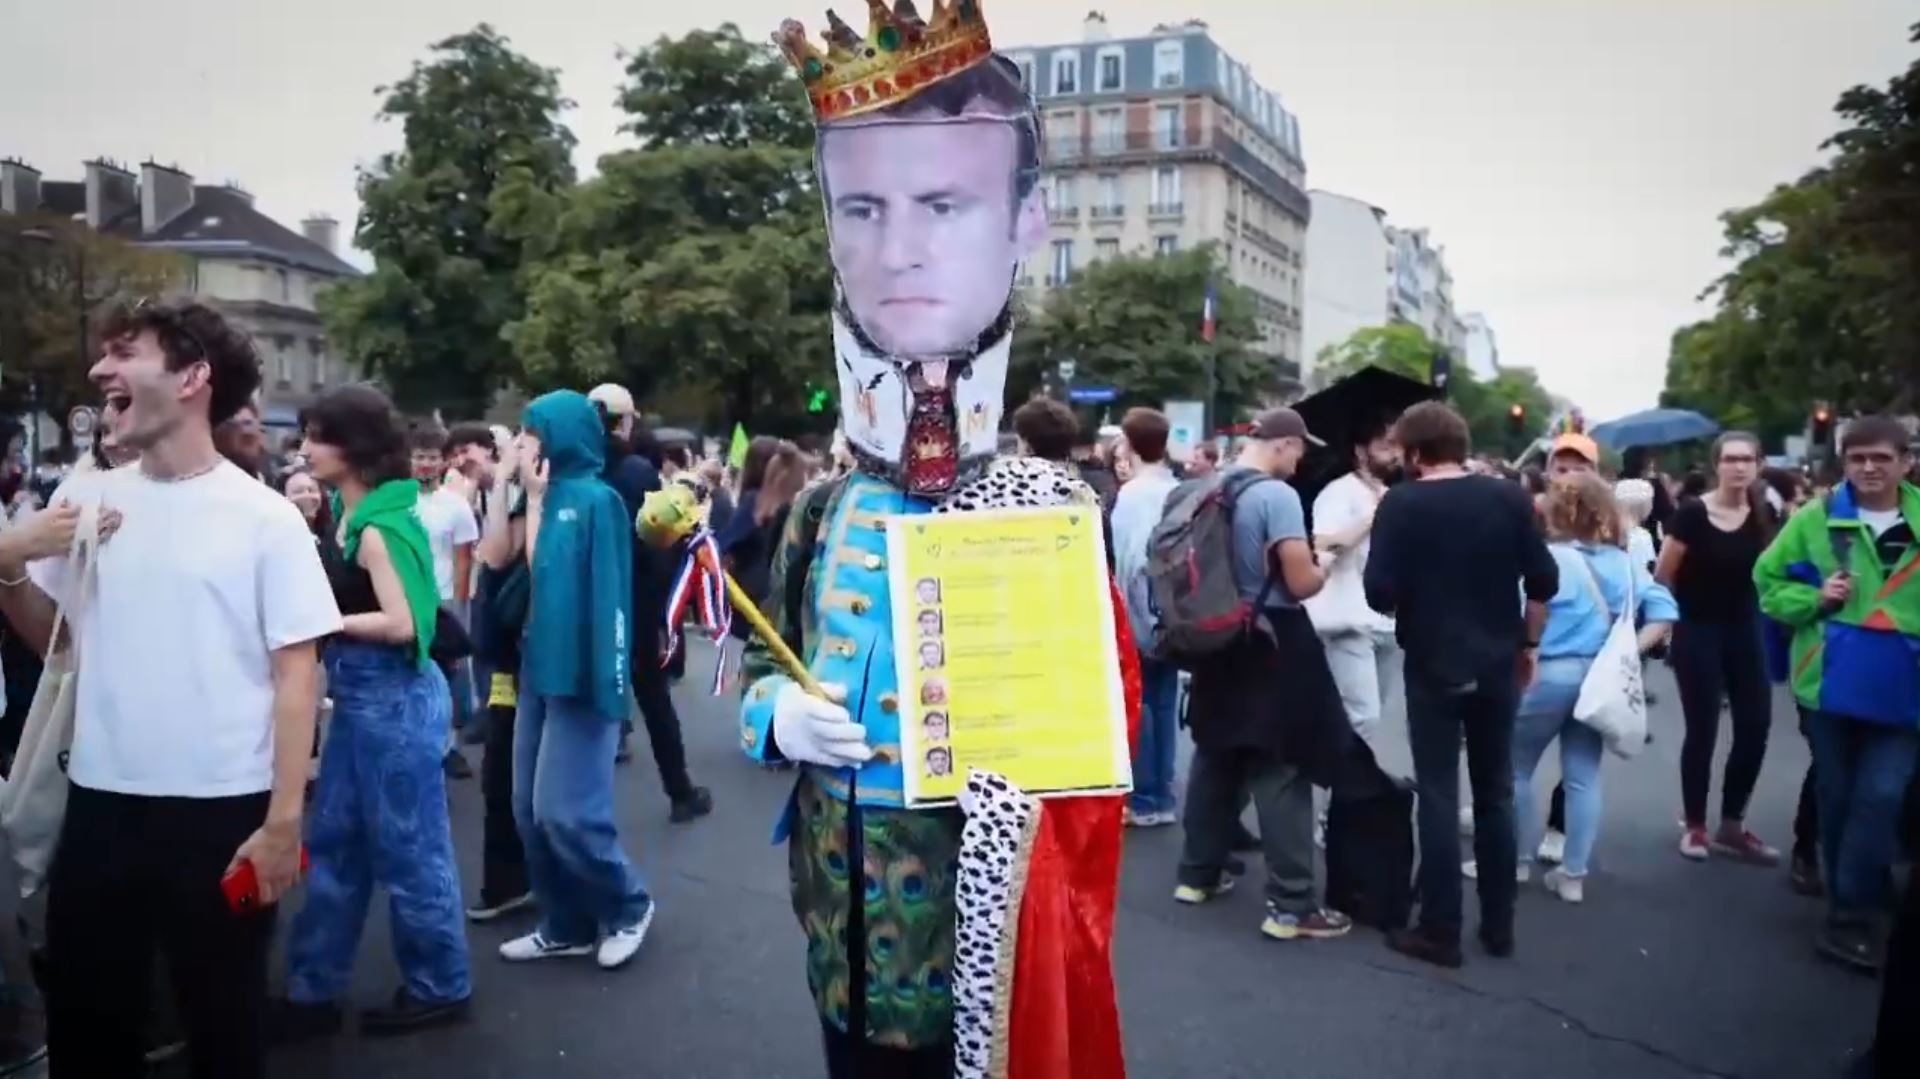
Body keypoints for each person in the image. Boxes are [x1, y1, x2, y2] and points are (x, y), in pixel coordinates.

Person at [746, 15, 1132, 1074]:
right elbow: (762, 651)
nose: (898, 248)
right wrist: (773, 715)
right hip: (835, 886)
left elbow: (1098, 735)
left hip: (975, 904)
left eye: (945, 204)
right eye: (862, 206)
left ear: (1026, 222)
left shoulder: (1048, 509)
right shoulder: (823, 509)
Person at [0, 299, 341, 1078]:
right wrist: (12, 563)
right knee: (91, 1031)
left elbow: (297, 671)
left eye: (124, 353)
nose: (98, 371)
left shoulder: (264, 517)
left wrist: (284, 823)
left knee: (223, 1029)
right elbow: (58, 642)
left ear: (192, 377)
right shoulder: (85, 503)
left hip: (223, 815)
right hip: (98, 809)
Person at [272, 384, 471, 1040]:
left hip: (392, 700)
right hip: (371, 703)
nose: (303, 448)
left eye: (316, 436)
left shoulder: (377, 527)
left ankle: (439, 983)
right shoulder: (361, 512)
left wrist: (321, 620)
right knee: (336, 846)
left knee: (409, 853)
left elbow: (404, 622)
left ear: (352, 448)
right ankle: (312, 986)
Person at [1365, 402, 1557, 969]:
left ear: (1415, 452)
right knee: (1495, 791)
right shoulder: (1508, 497)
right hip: (1499, 659)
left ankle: (1440, 928)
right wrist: (1527, 645)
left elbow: (1380, 592)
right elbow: (1544, 579)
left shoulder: (1401, 504)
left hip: (1432, 660)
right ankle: (1499, 925)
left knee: (1439, 792)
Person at [1173, 407, 1354, 944]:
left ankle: (1196, 874)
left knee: (1217, 751)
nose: (1301, 460)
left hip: (1212, 633)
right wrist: (1324, 564)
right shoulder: (1275, 497)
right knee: (1280, 766)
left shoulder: (1204, 485)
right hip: (1270, 634)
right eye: (1300, 449)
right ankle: (1292, 905)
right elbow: (1299, 584)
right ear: (1281, 444)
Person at [1755, 416, 1920, 971]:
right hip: (1828, 683)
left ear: (1905, 460)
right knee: (1841, 795)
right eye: (1858, 459)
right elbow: (1768, 583)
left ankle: (1854, 904)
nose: (1869, 468)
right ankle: (1851, 905)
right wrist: (1816, 598)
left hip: (1906, 690)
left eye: (1881, 458)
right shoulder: (1816, 518)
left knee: (1882, 797)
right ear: (1844, 463)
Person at [499, 391, 655, 971]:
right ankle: (563, 923)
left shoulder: (598, 500)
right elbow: (506, 566)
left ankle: (628, 905)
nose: (522, 442)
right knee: (526, 809)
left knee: (567, 811)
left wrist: (611, 679)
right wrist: (511, 492)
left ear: (560, 434)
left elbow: (610, 595)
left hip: (583, 673)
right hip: (538, 666)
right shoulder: (541, 494)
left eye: (531, 431)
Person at [1496, 474, 1676, 904]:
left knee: (1515, 768)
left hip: (1546, 674)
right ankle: (1572, 874)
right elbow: (1665, 611)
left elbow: (1518, 616)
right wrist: (1629, 651)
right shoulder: (1624, 563)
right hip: (1600, 679)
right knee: (1583, 775)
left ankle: (1514, 862)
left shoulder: (1544, 561)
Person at [585, 382, 713, 822]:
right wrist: (664, 616)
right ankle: (679, 791)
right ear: (625, 421)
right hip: (635, 598)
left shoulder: (575, 472)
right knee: (654, 699)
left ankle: (584, 803)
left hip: (587, 599)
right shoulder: (637, 471)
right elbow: (657, 544)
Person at [1655, 431, 1779, 864]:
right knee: (1703, 728)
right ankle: (1694, 824)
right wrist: (1669, 625)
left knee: (1756, 723)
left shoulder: (1762, 513)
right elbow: (1663, 574)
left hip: (1745, 627)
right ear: (1717, 465)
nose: (1739, 467)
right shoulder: (1692, 513)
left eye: (1747, 459)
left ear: (1758, 465)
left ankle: (1732, 823)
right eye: (1730, 459)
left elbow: (1772, 571)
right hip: (1698, 627)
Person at [466, 432, 533, 922]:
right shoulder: (514, 497)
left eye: (525, 445)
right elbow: (491, 559)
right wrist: (504, 486)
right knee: (501, 774)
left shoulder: (544, 502)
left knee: (511, 777)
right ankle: (508, 881)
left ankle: (518, 881)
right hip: (502, 662)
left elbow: (501, 556)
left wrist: (518, 484)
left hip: (525, 660)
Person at [1304, 421, 1403, 754]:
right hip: (1349, 619)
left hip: (1388, 620)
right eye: (1386, 446)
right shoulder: (1339, 492)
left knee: (1370, 718)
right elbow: (1324, 542)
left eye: (1397, 446)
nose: (1395, 455)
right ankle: (1350, 799)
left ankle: (1358, 794)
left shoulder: (1394, 494)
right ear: (1361, 451)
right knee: (1364, 717)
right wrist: (1373, 517)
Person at [1110, 408, 1182, 826]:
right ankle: (1164, 792)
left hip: (1141, 606)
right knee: (1164, 700)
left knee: (1142, 702)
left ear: (1132, 445)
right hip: (1173, 607)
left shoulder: (1134, 493)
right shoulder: (1173, 487)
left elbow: (1129, 558)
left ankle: (1146, 798)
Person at [408, 427, 480, 778]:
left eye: (432, 457)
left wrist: (459, 608)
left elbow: (463, 558)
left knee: (450, 677)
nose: (425, 464)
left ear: (444, 461)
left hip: (446, 600)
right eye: (419, 457)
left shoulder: (455, 504)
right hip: (407, 600)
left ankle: (450, 746)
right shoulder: (398, 501)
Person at [213, 400, 268, 479]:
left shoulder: (271, 465)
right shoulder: (219, 466)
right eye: (235, 425)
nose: (241, 430)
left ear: (258, 425)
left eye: (247, 423)